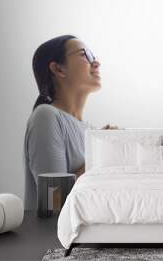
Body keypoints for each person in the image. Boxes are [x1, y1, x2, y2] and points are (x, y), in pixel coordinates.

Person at [23, 35, 118, 210]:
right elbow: (54, 202)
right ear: (58, 69)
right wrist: (101, 155)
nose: (96, 63)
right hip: (55, 236)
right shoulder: (46, 116)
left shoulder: (90, 130)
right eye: (84, 55)